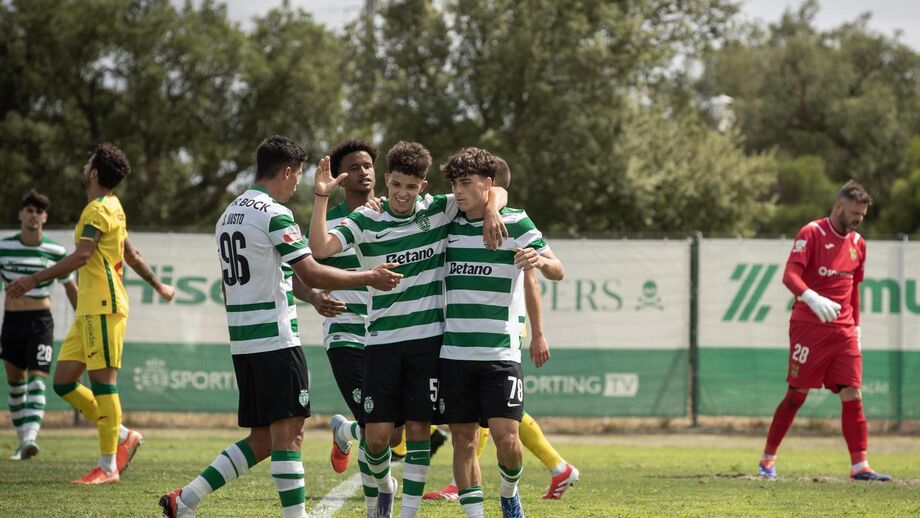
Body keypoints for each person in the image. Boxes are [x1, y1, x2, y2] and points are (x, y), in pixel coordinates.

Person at [159, 135, 402, 518]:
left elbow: (257, 280)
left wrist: (312, 298)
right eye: (297, 177)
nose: (295, 187)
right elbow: (309, 269)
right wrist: (368, 276)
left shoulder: (228, 216)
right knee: (291, 435)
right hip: (275, 338)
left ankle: (184, 499)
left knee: (264, 439)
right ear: (286, 171)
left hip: (243, 340)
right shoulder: (274, 213)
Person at [309, 141, 507, 518]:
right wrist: (321, 196)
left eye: (411, 187)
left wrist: (494, 210)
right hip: (381, 342)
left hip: (427, 344)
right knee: (379, 436)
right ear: (386, 181)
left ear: (424, 187)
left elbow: (493, 186)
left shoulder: (438, 209)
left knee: (418, 429)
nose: (402, 194)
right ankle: (381, 493)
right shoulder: (368, 219)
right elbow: (319, 248)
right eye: (396, 185)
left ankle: (407, 513)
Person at [7, 144, 175, 484]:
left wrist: (33, 279)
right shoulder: (114, 207)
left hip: (103, 306)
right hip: (88, 311)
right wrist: (159, 285)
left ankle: (108, 465)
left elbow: (82, 256)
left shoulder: (98, 210)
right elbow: (131, 254)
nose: (84, 166)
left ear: (95, 173)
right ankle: (124, 434)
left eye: (88, 163)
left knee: (103, 385)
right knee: (64, 382)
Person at [424, 156, 580, 502]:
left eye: (466, 183)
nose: (458, 192)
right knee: (463, 442)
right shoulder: (447, 223)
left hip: (499, 353)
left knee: (507, 440)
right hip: (454, 354)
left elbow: (558, 270)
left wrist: (539, 259)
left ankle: (509, 494)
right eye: (454, 185)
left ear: (488, 183)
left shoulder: (517, 222)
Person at [292, 138, 406, 517]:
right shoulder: (331, 224)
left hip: (388, 333)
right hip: (345, 333)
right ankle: (378, 503)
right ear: (340, 178)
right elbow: (296, 273)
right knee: (373, 423)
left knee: (392, 432)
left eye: (368, 165)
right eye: (354, 167)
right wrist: (314, 298)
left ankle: (344, 434)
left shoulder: (394, 214)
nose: (364, 172)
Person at [757, 180, 890, 482]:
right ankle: (767, 460)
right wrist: (811, 297)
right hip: (809, 327)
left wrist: (856, 327)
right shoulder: (812, 233)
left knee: (852, 392)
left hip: (843, 330)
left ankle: (860, 466)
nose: (858, 220)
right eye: (855, 213)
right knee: (797, 394)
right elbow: (790, 275)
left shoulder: (858, 244)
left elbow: (853, 289)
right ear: (839, 206)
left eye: (863, 215)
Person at [1, 190, 78, 460]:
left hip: (40, 322)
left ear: (44, 217)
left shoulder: (55, 251)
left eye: (39, 211)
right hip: (11, 322)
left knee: (37, 380)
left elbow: (70, 287)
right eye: (29, 210)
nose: (34, 215)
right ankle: (23, 443)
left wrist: (82, 319)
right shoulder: (4, 247)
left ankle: (31, 437)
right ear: (21, 214)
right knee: (15, 384)